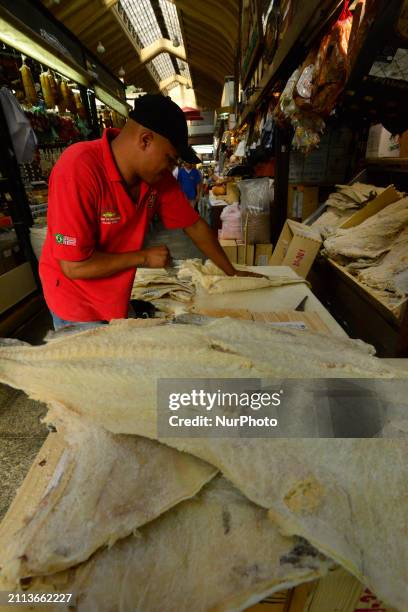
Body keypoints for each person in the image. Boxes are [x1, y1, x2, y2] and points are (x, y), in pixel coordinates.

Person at [39, 94, 261, 330]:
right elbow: (74, 266)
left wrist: (233, 273)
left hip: (115, 295)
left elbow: (194, 225)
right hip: (75, 303)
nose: (172, 168)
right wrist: (143, 257)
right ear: (145, 140)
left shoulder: (157, 179)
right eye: (170, 159)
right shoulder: (78, 169)